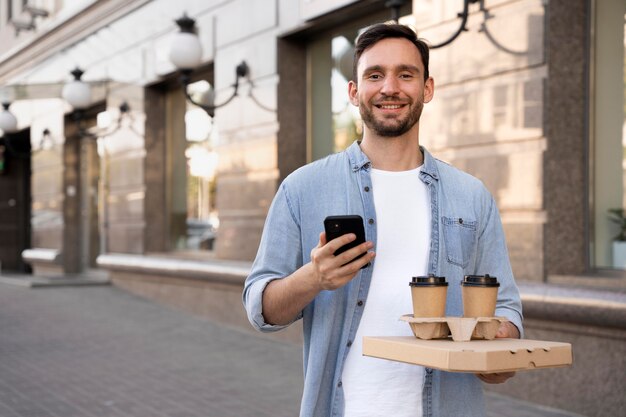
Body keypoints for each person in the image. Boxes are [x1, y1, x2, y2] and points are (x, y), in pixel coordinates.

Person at [243, 22, 523, 417]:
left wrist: (499, 347)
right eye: (375, 75)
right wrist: (314, 277)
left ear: (427, 88)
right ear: (354, 92)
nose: (390, 87)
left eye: (405, 75)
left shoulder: (471, 195)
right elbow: (261, 309)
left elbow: (506, 309)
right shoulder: (302, 188)